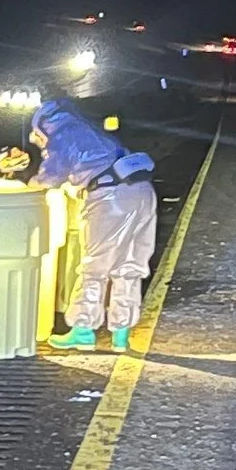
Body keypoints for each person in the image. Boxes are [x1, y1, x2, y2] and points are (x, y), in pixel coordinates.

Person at [28, 99, 157, 352]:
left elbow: (49, 177)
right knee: (130, 265)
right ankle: (121, 333)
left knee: (95, 267)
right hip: (142, 190)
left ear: (44, 125)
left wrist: (28, 187)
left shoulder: (63, 136)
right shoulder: (91, 130)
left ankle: (83, 329)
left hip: (110, 198)